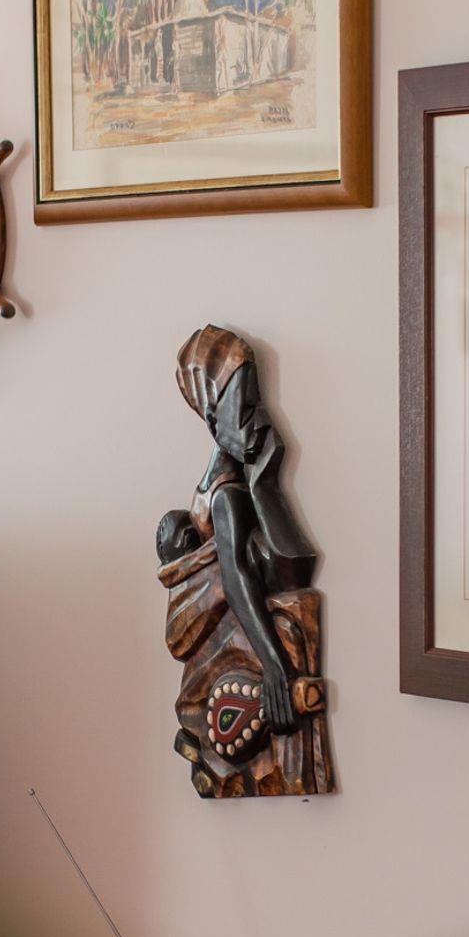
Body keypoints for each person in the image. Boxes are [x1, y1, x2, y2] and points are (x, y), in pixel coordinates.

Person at [156, 325, 334, 798]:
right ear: (214, 419)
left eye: (256, 403)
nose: (256, 420)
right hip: (250, 648)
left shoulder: (234, 487)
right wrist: (275, 667)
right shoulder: (227, 497)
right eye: (243, 407)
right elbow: (235, 579)